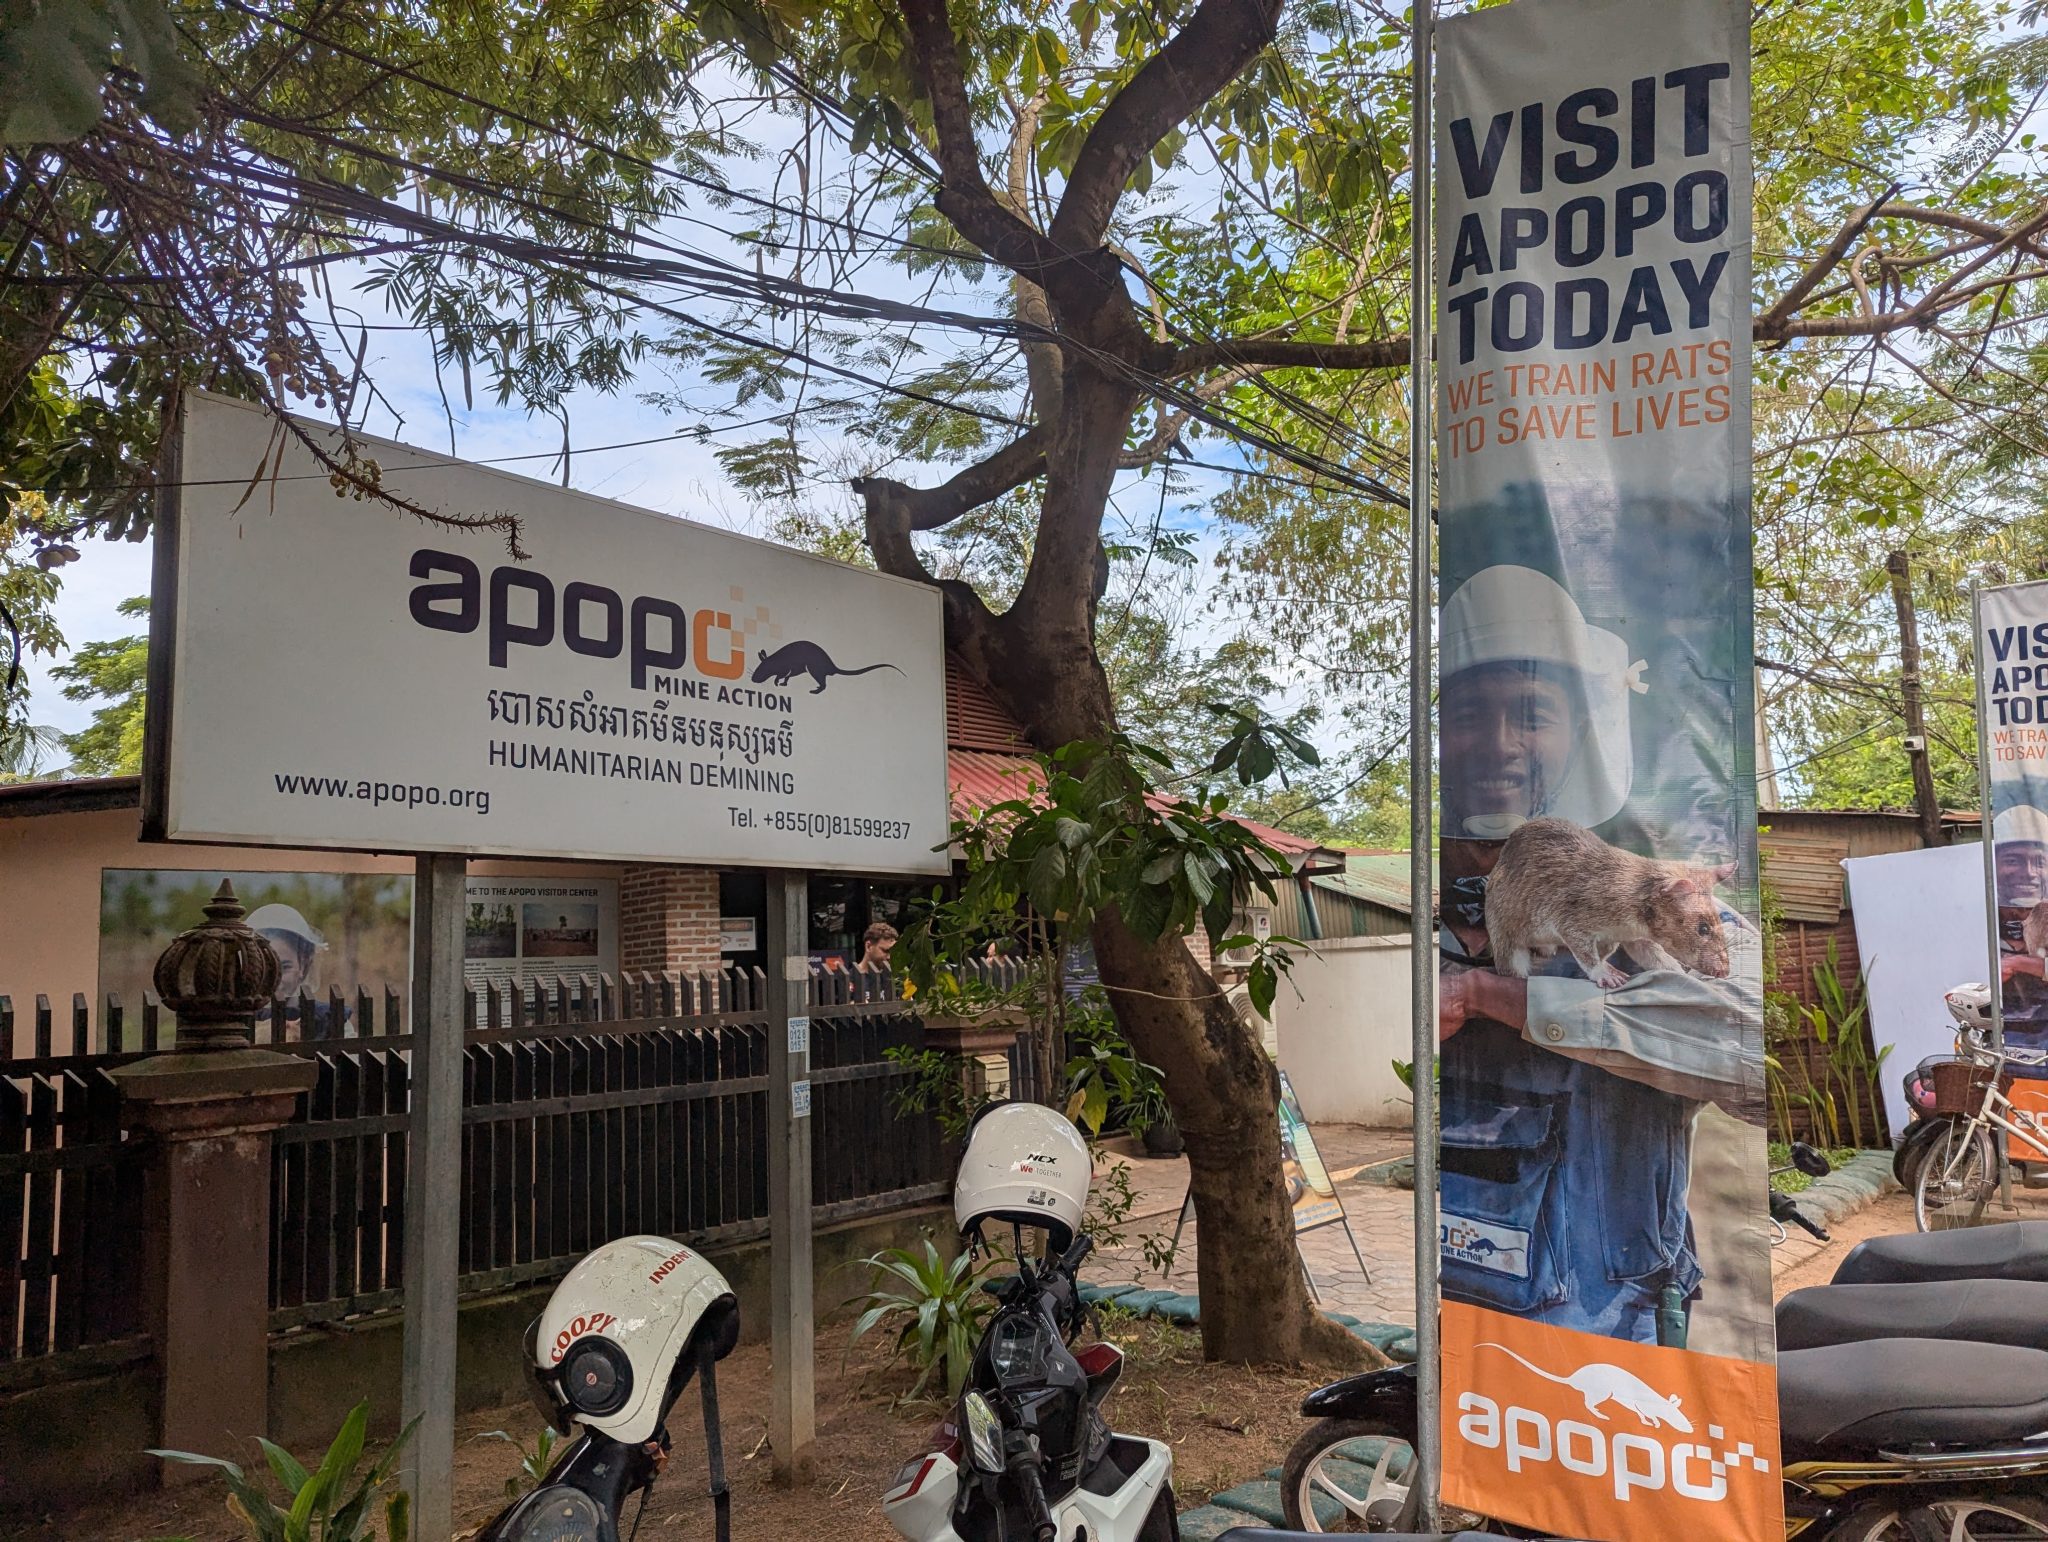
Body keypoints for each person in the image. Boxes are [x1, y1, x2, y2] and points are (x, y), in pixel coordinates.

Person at [1436, 565, 1763, 1346]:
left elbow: (1752, 1061)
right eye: (1468, 714)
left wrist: (1499, 997)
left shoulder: (1664, 900)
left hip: (1611, 1328)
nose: (1499, 744)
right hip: (1458, 1307)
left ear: (1580, 731)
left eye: (1532, 714)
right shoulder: (1423, 919)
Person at [248, 902, 348, 1040]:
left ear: (304, 965)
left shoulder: (329, 1019)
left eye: (285, 967)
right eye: (265, 968)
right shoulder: (237, 1020)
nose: (274, 978)